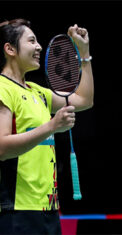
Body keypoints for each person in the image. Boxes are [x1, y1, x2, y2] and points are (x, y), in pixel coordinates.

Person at [0, 19, 93, 234]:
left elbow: (85, 100)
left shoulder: (37, 92)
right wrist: (51, 126)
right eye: (31, 41)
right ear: (10, 49)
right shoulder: (3, 88)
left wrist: (84, 53)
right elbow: (2, 148)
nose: (39, 47)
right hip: (17, 211)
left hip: (48, 208)